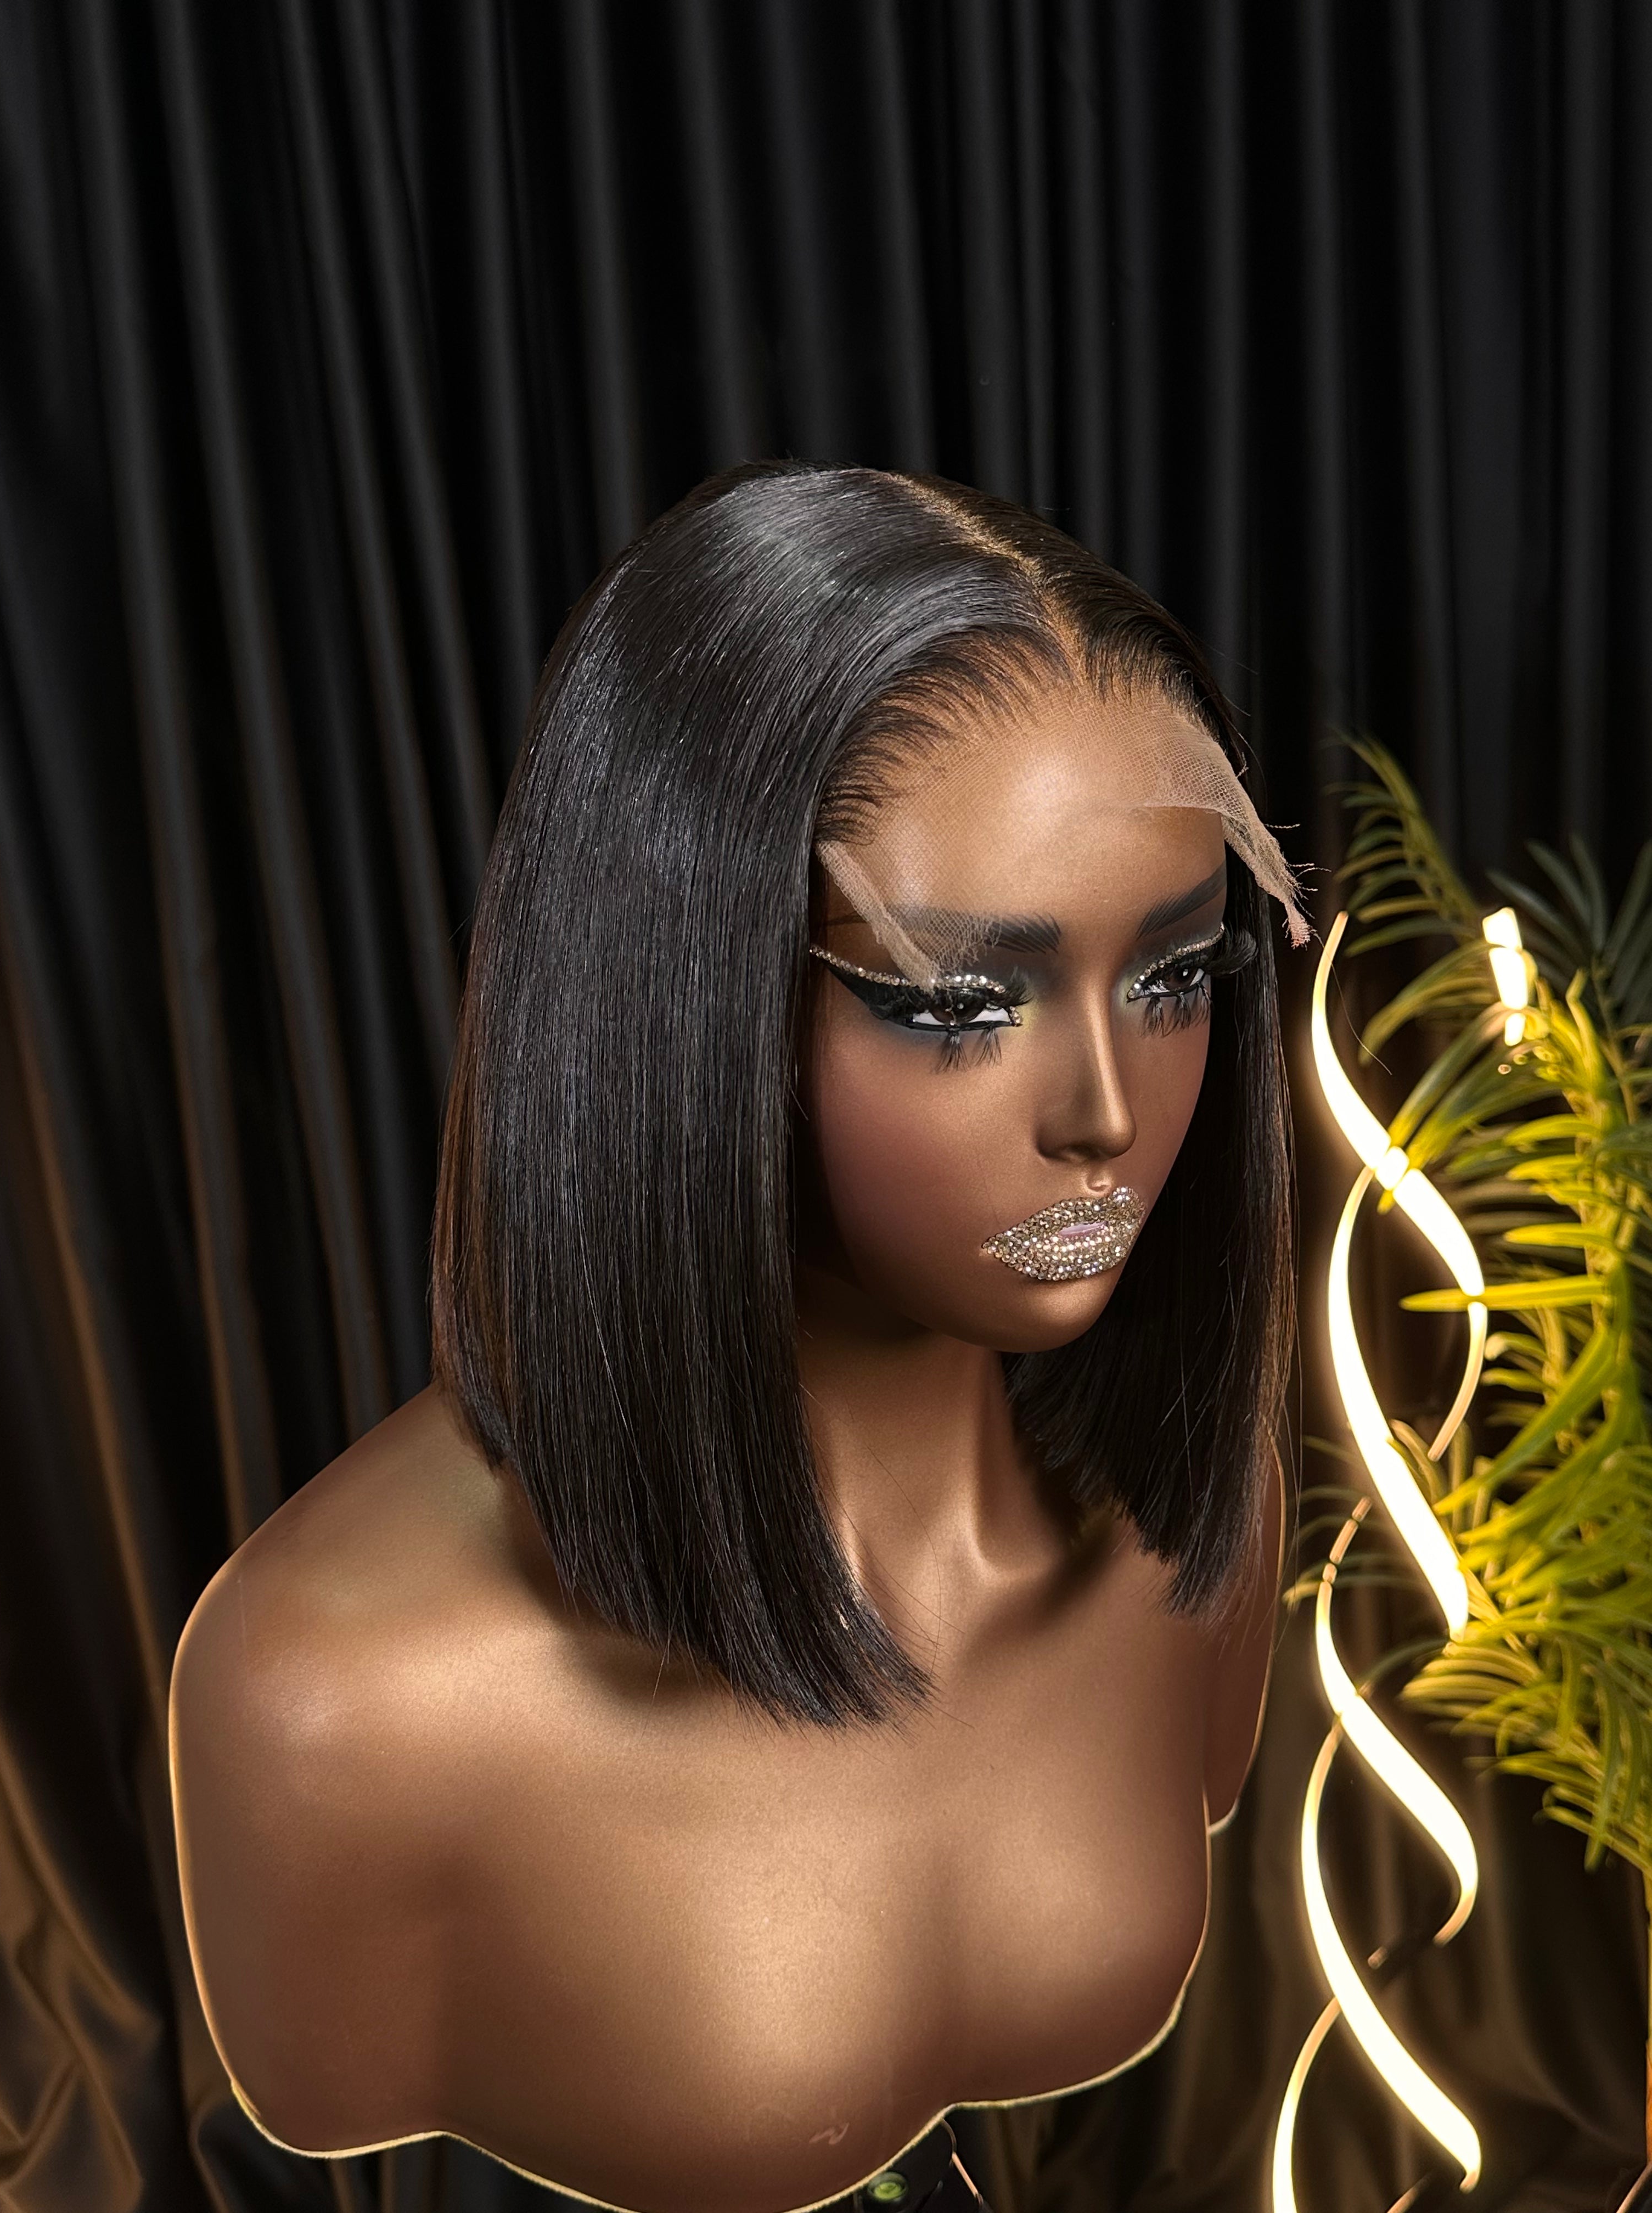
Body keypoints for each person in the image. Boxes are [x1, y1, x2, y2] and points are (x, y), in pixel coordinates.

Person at [168, 462, 1302, 2213]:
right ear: (688, 994)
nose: (1103, 1112)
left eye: (1170, 980)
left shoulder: (1185, 1533)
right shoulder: (334, 1702)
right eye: (959, 1004)